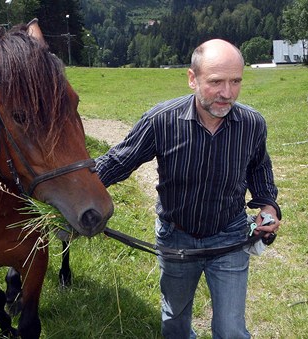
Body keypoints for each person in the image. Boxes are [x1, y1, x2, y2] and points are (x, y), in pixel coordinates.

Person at [95, 39, 281, 338]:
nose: (227, 93)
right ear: (192, 78)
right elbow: (118, 161)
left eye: (236, 81)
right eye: (216, 82)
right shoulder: (161, 120)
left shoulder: (252, 124)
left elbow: (259, 169)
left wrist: (268, 208)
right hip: (177, 239)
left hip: (229, 238)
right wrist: (70, 189)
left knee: (231, 330)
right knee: (175, 323)